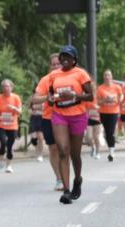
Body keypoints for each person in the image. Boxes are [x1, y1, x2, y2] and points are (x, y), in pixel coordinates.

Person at [42, 45, 93, 204]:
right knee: (63, 150)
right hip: (59, 115)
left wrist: (74, 95)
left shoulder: (81, 74)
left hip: (78, 116)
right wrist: (51, 99)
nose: (64, 59)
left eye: (68, 57)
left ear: (74, 59)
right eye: (62, 56)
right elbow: (51, 95)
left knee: (75, 155)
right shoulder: (53, 75)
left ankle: (77, 179)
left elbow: (90, 96)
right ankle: (66, 191)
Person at [31, 53, 64, 190]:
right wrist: (47, 98)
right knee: (53, 148)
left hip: (66, 117)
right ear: (50, 66)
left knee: (64, 148)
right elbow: (35, 99)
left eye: (58, 64)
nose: (56, 66)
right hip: (49, 118)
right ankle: (59, 178)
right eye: (53, 64)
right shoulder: (45, 80)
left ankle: (66, 176)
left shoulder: (69, 78)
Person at [0, 79, 21, 173]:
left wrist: (14, 108)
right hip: (1, 125)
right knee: (3, 142)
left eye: (7, 86)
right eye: (3, 86)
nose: (5, 88)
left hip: (12, 126)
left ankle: (8, 166)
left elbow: (20, 112)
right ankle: (0, 163)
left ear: (11, 87)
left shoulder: (16, 98)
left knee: (10, 146)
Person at [96, 70, 123, 162]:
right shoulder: (100, 88)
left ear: (111, 77)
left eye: (109, 75)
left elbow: (121, 96)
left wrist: (119, 100)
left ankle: (111, 151)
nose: (107, 77)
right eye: (105, 75)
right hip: (103, 112)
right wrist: (105, 100)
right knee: (107, 132)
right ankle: (111, 148)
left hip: (114, 111)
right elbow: (98, 102)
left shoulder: (117, 87)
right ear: (104, 77)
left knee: (111, 131)